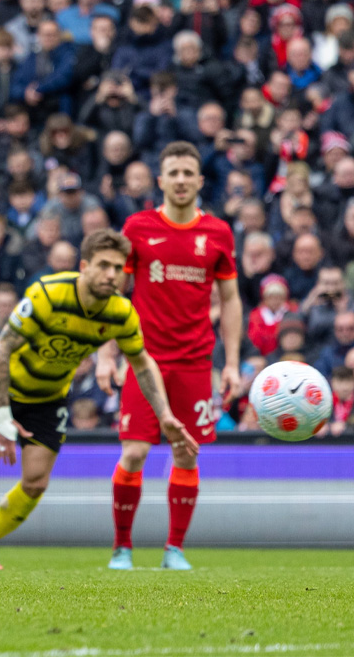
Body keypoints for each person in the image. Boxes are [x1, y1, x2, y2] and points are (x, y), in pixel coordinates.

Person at [0, 229, 197, 570]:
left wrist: (164, 415)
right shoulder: (48, 294)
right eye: (103, 265)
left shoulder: (121, 313)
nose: (111, 275)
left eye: (118, 268)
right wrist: (1, 418)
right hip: (3, 386)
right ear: (85, 266)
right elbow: (1, 353)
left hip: (49, 397)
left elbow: (142, 363)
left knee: (35, 481)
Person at [95, 141, 242, 571]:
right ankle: (122, 547)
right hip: (144, 359)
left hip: (196, 361)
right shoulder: (137, 227)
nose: (180, 180)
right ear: (161, 181)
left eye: (187, 173)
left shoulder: (218, 233)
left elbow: (231, 300)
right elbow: (114, 295)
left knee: (187, 454)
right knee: (135, 453)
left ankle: (174, 549)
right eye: (173, 173)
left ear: (199, 181)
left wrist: (230, 362)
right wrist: (107, 354)